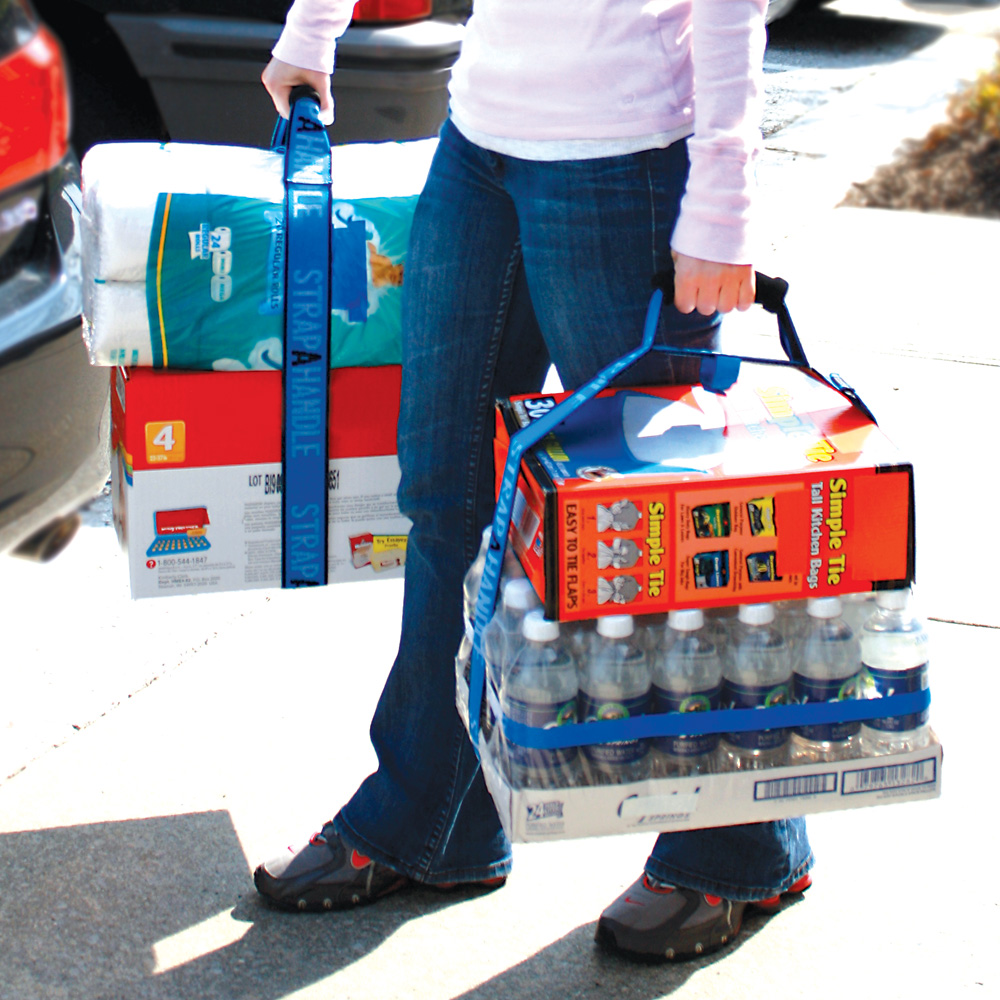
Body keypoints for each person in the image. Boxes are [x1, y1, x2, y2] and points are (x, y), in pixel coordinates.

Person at [253, 0, 813, 962]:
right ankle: (435, 815)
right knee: (446, 498)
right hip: (480, 145)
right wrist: (311, 32)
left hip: (627, 154)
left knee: (660, 528)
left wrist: (724, 198)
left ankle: (740, 848)